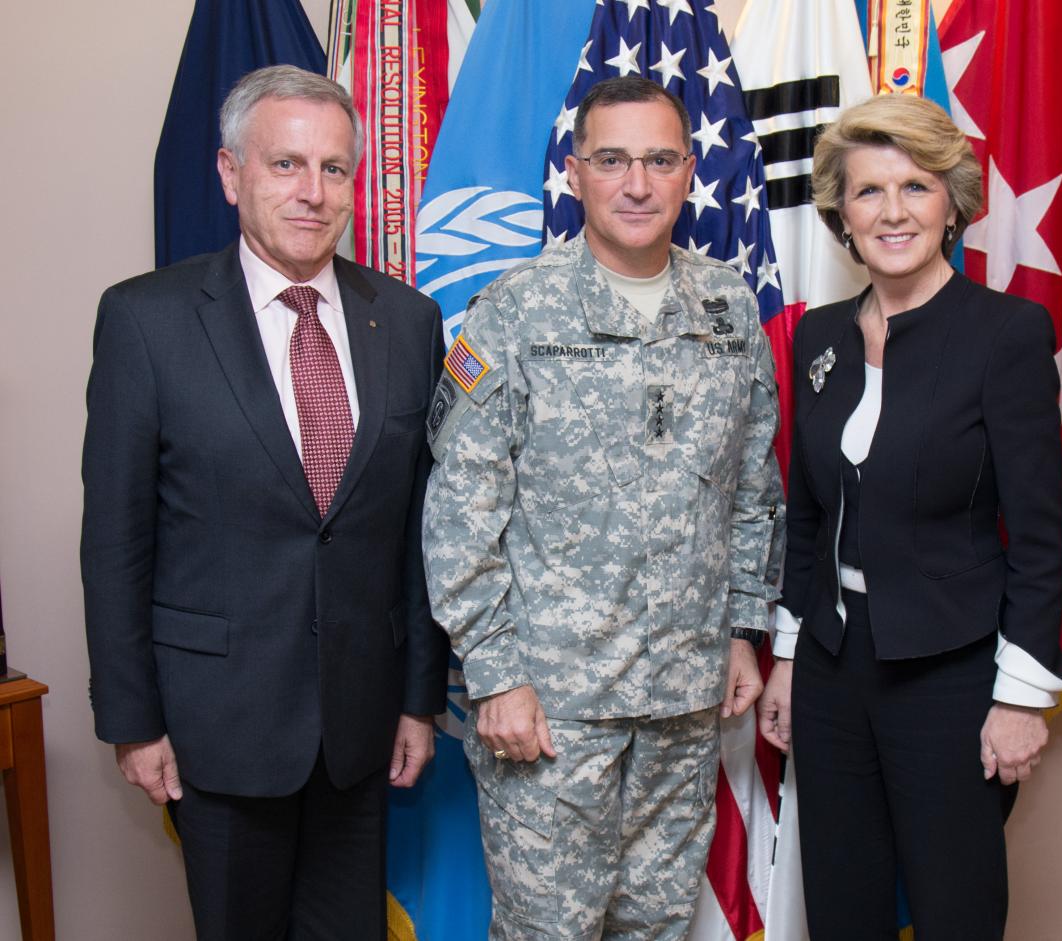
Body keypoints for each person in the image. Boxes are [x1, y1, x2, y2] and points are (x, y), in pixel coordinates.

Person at [80, 65, 450, 940]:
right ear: (229, 173)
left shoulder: (406, 321)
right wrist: (133, 723)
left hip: (360, 731)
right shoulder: (146, 321)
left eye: (334, 169)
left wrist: (416, 699)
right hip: (217, 725)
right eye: (285, 165)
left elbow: (420, 531)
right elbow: (115, 540)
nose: (312, 193)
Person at [422, 76, 783, 940]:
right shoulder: (513, 312)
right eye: (612, 159)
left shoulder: (727, 307)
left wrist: (741, 627)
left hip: (684, 702)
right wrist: (496, 673)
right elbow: (460, 507)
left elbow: (751, 488)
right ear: (575, 171)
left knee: (658, 926)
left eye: (660, 160)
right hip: (550, 713)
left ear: (690, 170)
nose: (636, 183)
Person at [756, 94, 1062, 939]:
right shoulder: (821, 337)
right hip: (832, 667)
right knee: (842, 909)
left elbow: (1041, 540)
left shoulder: (1005, 333)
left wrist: (1018, 699)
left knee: (956, 911)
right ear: (843, 212)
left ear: (953, 203)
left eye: (916, 186)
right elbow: (807, 513)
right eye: (869, 191)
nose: (893, 211)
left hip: (950, 674)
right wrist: (792, 656)